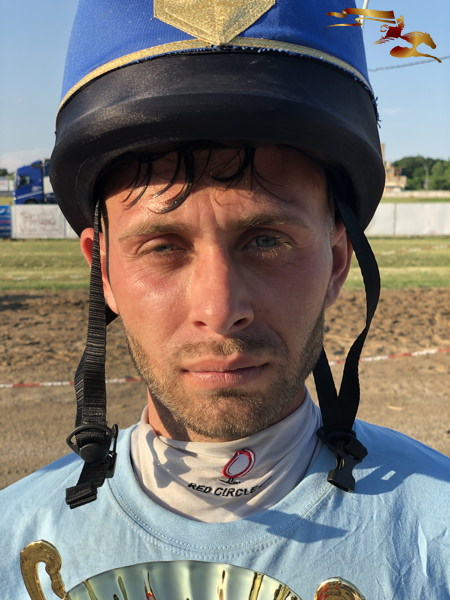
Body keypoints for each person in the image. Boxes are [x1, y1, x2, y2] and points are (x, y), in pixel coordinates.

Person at [1, 1, 448, 598]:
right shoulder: (10, 541)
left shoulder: (438, 535)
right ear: (103, 269)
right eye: (162, 246)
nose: (219, 309)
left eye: (267, 241)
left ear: (338, 260)